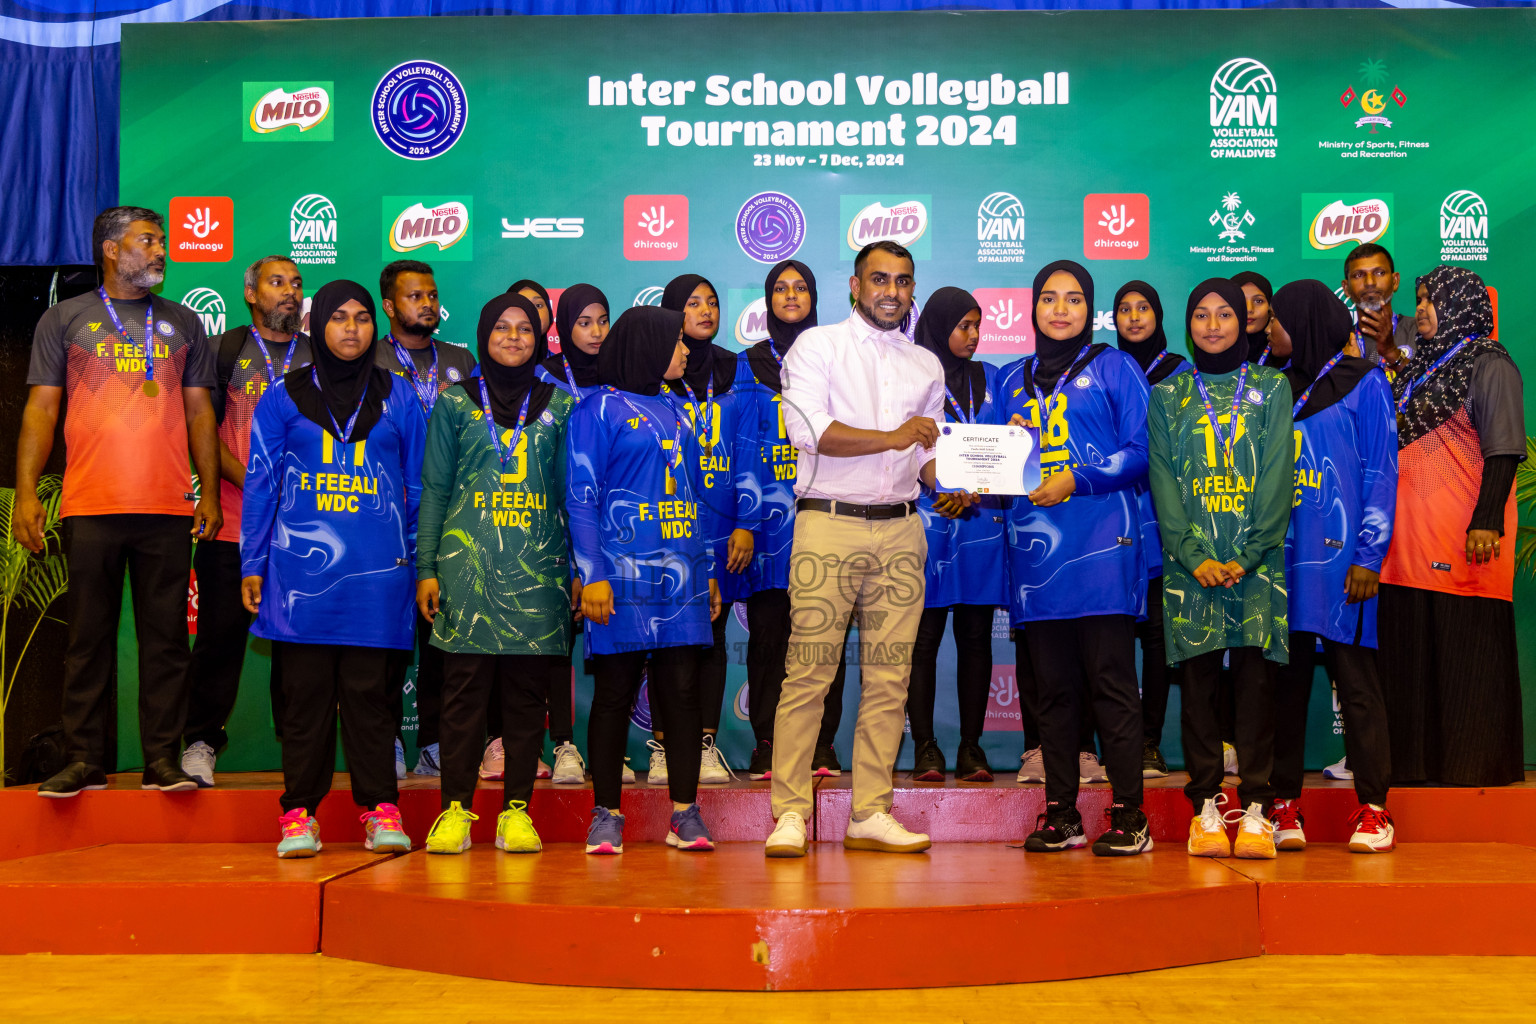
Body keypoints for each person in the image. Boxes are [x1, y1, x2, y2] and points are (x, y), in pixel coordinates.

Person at [765, 239, 962, 858]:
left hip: (903, 530)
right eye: (879, 279)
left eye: (903, 282)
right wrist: (896, 436)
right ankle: (790, 813)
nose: (891, 292)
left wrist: (951, 484)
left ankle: (869, 811)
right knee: (808, 673)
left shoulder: (927, 365)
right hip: (829, 525)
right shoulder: (816, 346)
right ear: (854, 286)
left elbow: (925, 454)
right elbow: (813, 434)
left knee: (889, 679)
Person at [22, 205, 222, 798]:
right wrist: (29, 491)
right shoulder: (64, 319)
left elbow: (199, 413)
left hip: (165, 506)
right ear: (111, 249)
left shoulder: (185, 322)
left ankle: (162, 760)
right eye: (148, 241)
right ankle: (84, 759)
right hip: (90, 504)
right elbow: (40, 408)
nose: (160, 251)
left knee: (165, 642)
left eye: (161, 241)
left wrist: (209, 490)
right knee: (87, 640)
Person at [240, 280, 425, 858]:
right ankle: (299, 814)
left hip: (379, 581)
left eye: (363, 318)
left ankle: (380, 809)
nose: (352, 328)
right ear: (317, 327)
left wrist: (419, 566)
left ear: (376, 327)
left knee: (374, 701)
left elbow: (419, 489)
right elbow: (262, 482)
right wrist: (252, 562)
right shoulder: (282, 397)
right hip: (299, 582)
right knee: (305, 700)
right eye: (339, 317)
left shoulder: (401, 398)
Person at [1000, 261, 1152, 857]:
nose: (1060, 310)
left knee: (1112, 686)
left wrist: (1077, 480)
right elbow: (987, 463)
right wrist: (993, 459)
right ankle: (1062, 813)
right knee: (1053, 693)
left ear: (1090, 310)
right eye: (1048, 299)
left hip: (1102, 550)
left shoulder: (1116, 366)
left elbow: (1143, 452)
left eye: (1073, 300)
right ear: (1033, 308)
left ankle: (1130, 815)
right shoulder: (1011, 378)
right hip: (1036, 561)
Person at [416, 292, 576, 855]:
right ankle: (455, 811)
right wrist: (427, 566)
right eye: (502, 328)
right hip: (466, 569)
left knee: (527, 698)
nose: (513, 337)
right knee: (462, 695)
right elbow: (435, 490)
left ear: (539, 339)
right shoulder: (455, 404)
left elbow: (570, 496)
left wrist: (576, 568)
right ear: (484, 336)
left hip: (538, 569)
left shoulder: (560, 406)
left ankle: (516, 813)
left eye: (525, 329)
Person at [567, 304, 720, 855]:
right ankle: (606, 814)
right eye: (676, 342)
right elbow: (581, 498)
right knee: (613, 693)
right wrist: (592, 576)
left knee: (681, 695)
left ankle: (685, 814)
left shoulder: (681, 410)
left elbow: (696, 499)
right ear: (647, 346)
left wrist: (708, 571)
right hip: (619, 577)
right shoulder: (596, 410)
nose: (685, 351)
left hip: (681, 576)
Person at [1148, 278, 1292, 860]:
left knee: (1257, 684)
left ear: (1244, 321)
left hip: (1256, 563)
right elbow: (1163, 481)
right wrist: (1194, 555)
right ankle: (1206, 805)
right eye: (1201, 315)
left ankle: (1257, 807)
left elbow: (1279, 473)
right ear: (1189, 324)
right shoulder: (1168, 395)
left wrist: (1249, 552)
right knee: (1200, 684)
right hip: (1193, 567)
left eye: (1225, 314)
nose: (1213, 325)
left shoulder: (1272, 386)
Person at [1379, 266, 1525, 788]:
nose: (1419, 309)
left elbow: (1504, 448)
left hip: (1465, 540)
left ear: (1459, 303)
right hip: (1406, 545)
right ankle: (1413, 767)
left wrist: (1486, 521)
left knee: (1466, 658)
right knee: (1410, 658)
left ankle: (1472, 768)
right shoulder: (1418, 369)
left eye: (1429, 299)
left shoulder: (1491, 364)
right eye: (1417, 299)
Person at [1271, 280, 1398, 854]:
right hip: (1284, 566)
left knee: (1359, 688)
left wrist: (1369, 556)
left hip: (1347, 567)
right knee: (1284, 688)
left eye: (1277, 321)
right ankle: (1282, 804)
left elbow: (1380, 474)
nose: (1269, 331)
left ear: (1307, 323)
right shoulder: (1272, 388)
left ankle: (1373, 810)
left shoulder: (1366, 384)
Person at [181, 255, 311, 786]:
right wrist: (260, 483)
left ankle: (300, 748)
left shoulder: (317, 355)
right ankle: (200, 742)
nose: (289, 292)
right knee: (218, 639)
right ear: (251, 293)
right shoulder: (224, 350)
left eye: (296, 283)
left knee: (300, 645)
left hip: (307, 529)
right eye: (276, 283)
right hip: (234, 524)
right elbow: (203, 429)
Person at [735, 260, 850, 782]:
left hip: (826, 512)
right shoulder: (746, 365)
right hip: (765, 524)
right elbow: (736, 444)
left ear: (815, 297)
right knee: (768, 639)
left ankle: (822, 745)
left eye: (801, 287)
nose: (791, 296)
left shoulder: (833, 354)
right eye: (780, 288)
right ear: (767, 300)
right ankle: (767, 743)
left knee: (826, 637)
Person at [376, 259, 475, 779]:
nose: (428, 305)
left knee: (443, 638)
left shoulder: (460, 359)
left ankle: (436, 742)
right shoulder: (370, 358)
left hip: (451, 516)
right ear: (390, 306)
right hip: (386, 516)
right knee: (390, 640)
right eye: (415, 297)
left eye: (432, 295)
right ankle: (389, 739)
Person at [659, 273, 754, 786]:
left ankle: (704, 744)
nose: (705, 310)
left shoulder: (734, 369)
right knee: (671, 638)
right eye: (692, 303)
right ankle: (662, 747)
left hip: (722, 526)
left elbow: (750, 452)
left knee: (713, 634)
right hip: (668, 526)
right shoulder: (655, 371)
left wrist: (745, 522)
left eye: (713, 302)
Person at [907, 288, 1005, 783]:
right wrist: (940, 486)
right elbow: (900, 444)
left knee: (975, 639)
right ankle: (925, 746)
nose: (973, 335)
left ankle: (971, 747)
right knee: (922, 640)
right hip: (926, 519)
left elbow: (1004, 449)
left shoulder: (989, 378)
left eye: (977, 325)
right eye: (963, 325)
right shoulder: (912, 376)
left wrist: (984, 482)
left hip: (980, 527)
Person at [1114, 281, 1185, 779]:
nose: (1134, 318)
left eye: (1144, 309)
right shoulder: (1100, 369)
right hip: (1112, 525)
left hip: (1163, 521)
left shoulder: (1182, 373)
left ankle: (1149, 743)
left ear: (1159, 316)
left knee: (1159, 640)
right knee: (1112, 640)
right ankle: (1107, 745)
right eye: (1124, 310)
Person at [1340, 243, 1420, 374]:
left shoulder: (1419, 331)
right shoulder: (1340, 343)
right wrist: (1350, 370)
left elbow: (1432, 387)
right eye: (1359, 275)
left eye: (1379, 272)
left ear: (1395, 281)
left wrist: (1392, 352)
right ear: (1346, 288)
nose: (1370, 282)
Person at [1232, 271, 1288, 367]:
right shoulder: (1212, 351)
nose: (1249, 309)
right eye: (1240, 300)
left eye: (1258, 301)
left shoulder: (1286, 354)